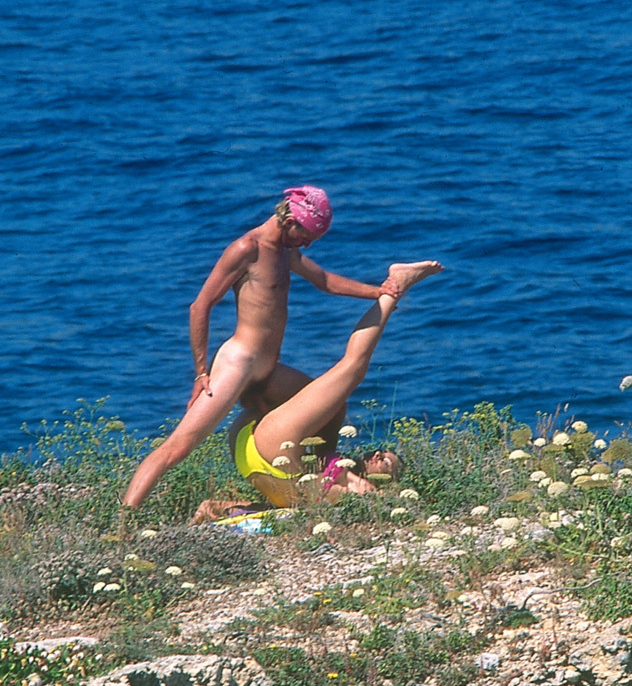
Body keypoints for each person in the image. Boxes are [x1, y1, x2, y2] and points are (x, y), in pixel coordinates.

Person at [122, 186, 419, 509]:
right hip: (239, 364)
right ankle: (126, 518)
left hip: (269, 371)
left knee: (334, 406)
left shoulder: (285, 252)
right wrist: (201, 372)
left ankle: (325, 469)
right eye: (306, 236)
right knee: (178, 447)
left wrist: (378, 291)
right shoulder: (246, 249)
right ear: (290, 220)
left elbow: (324, 280)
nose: (307, 244)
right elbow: (200, 307)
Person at [218, 261, 442, 511]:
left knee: (353, 368)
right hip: (252, 453)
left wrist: (382, 493)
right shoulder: (331, 464)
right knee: (332, 405)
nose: (377, 455)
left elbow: (383, 504)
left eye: (386, 464)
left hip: (268, 451)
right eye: (382, 452)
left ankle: (396, 286)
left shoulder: (357, 488)